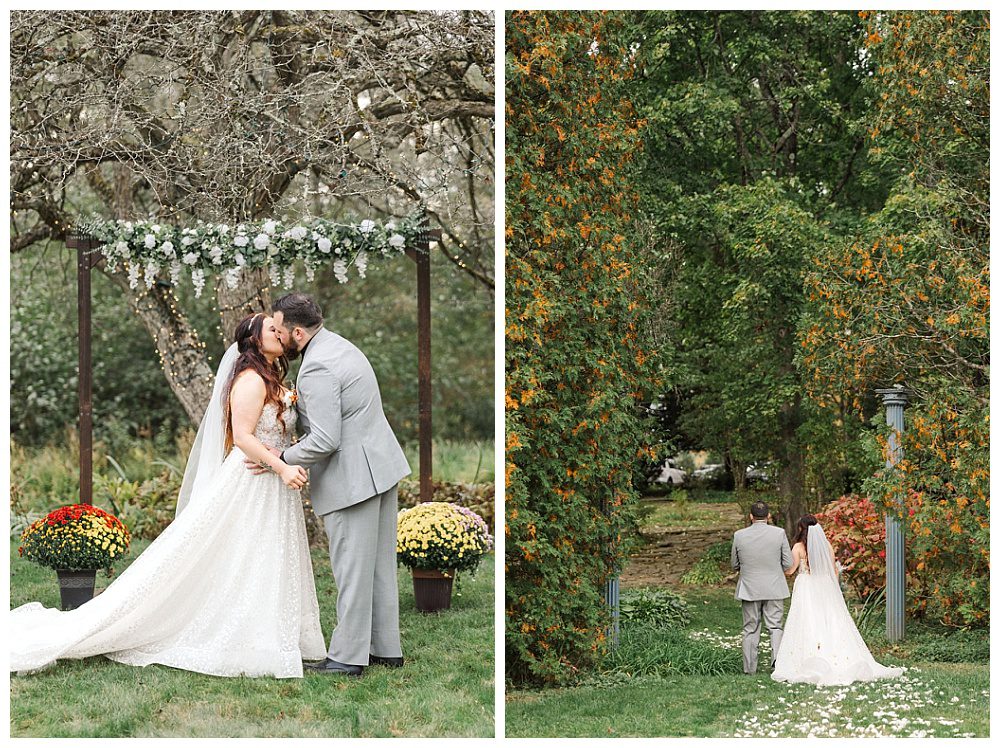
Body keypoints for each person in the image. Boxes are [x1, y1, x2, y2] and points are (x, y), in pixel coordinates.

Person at [10, 313, 327, 678]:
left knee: (266, 554)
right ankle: (247, 638)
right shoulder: (252, 379)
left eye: (280, 328)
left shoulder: (274, 377)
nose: (280, 332)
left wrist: (287, 458)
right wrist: (282, 466)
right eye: (272, 329)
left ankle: (275, 634)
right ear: (255, 341)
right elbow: (242, 438)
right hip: (252, 481)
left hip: (270, 480)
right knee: (244, 552)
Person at [256, 293, 411, 677]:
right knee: (375, 568)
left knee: (352, 570)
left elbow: (325, 439)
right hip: (378, 466)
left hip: (353, 477)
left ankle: (347, 657)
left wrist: (279, 460)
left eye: (278, 329)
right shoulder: (339, 345)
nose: (275, 334)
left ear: (296, 332)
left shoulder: (318, 367)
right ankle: (384, 648)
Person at [772, 515, 905, 686]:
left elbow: (790, 571)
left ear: (801, 529)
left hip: (807, 587)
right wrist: (832, 588)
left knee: (808, 619)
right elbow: (833, 569)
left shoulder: (798, 547)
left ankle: (807, 656)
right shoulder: (826, 545)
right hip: (825, 585)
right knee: (829, 619)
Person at [731, 501, 793, 674]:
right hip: (774, 587)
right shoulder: (779, 533)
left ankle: (749, 668)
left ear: (750, 516)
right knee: (775, 627)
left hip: (749, 587)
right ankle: (778, 663)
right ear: (768, 516)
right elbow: (788, 563)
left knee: (750, 628)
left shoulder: (739, 535)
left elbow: (734, 564)